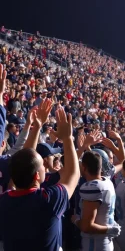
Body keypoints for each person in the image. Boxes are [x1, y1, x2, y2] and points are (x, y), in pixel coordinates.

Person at [0, 105, 80, 251]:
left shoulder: (4, 200)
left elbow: (24, 160)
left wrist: (36, 127)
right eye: (41, 164)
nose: (44, 165)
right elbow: (73, 174)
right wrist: (68, 138)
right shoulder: (49, 199)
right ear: (37, 175)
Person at [72, 151, 121, 251]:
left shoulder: (92, 187)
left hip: (94, 243)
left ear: (84, 167)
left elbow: (87, 227)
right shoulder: (107, 181)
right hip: (106, 242)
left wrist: (76, 220)